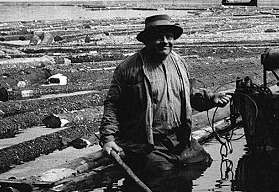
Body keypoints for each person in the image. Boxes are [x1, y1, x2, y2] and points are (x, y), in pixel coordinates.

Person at [99, 14, 231, 172]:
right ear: (147, 40)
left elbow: (188, 95)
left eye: (169, 37)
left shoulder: (179, 62)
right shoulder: (128, 68)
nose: (165, 42)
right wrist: (108, 139)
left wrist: (211, 98)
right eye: (158, 37)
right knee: (162, 175)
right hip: (148, 145)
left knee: (204, 162)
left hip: (181, 140)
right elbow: (113, 105)